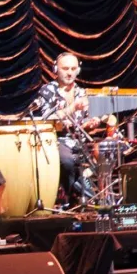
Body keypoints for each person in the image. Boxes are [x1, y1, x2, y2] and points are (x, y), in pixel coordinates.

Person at [31, 52, 101, 205]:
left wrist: (89, 124)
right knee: (68, 160)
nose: (70, 73)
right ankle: (70, 198)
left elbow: (80, 125)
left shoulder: (81, 92)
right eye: (65, 68)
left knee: (103, 154)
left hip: (77, 141)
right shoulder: (47, 91)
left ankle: (91, 199)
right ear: (56, 69)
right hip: (55, 140)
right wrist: (72, 108)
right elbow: (46, 120)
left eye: (73, 68)